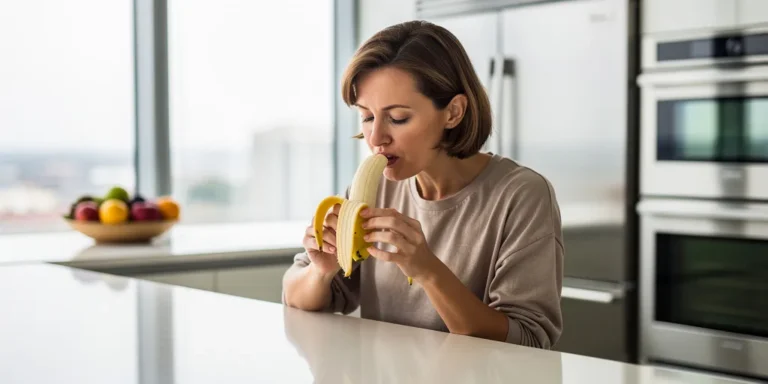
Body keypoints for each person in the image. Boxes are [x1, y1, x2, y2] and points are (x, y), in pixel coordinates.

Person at [282, 20, 564, 349]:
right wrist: (321, 271)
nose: (376, 138)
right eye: (367, 116)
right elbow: (294, 295)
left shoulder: (522, 196)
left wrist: (427, 270)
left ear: (453, 112)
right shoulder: (376, 189)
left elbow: (528, 340)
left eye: (398, 118)